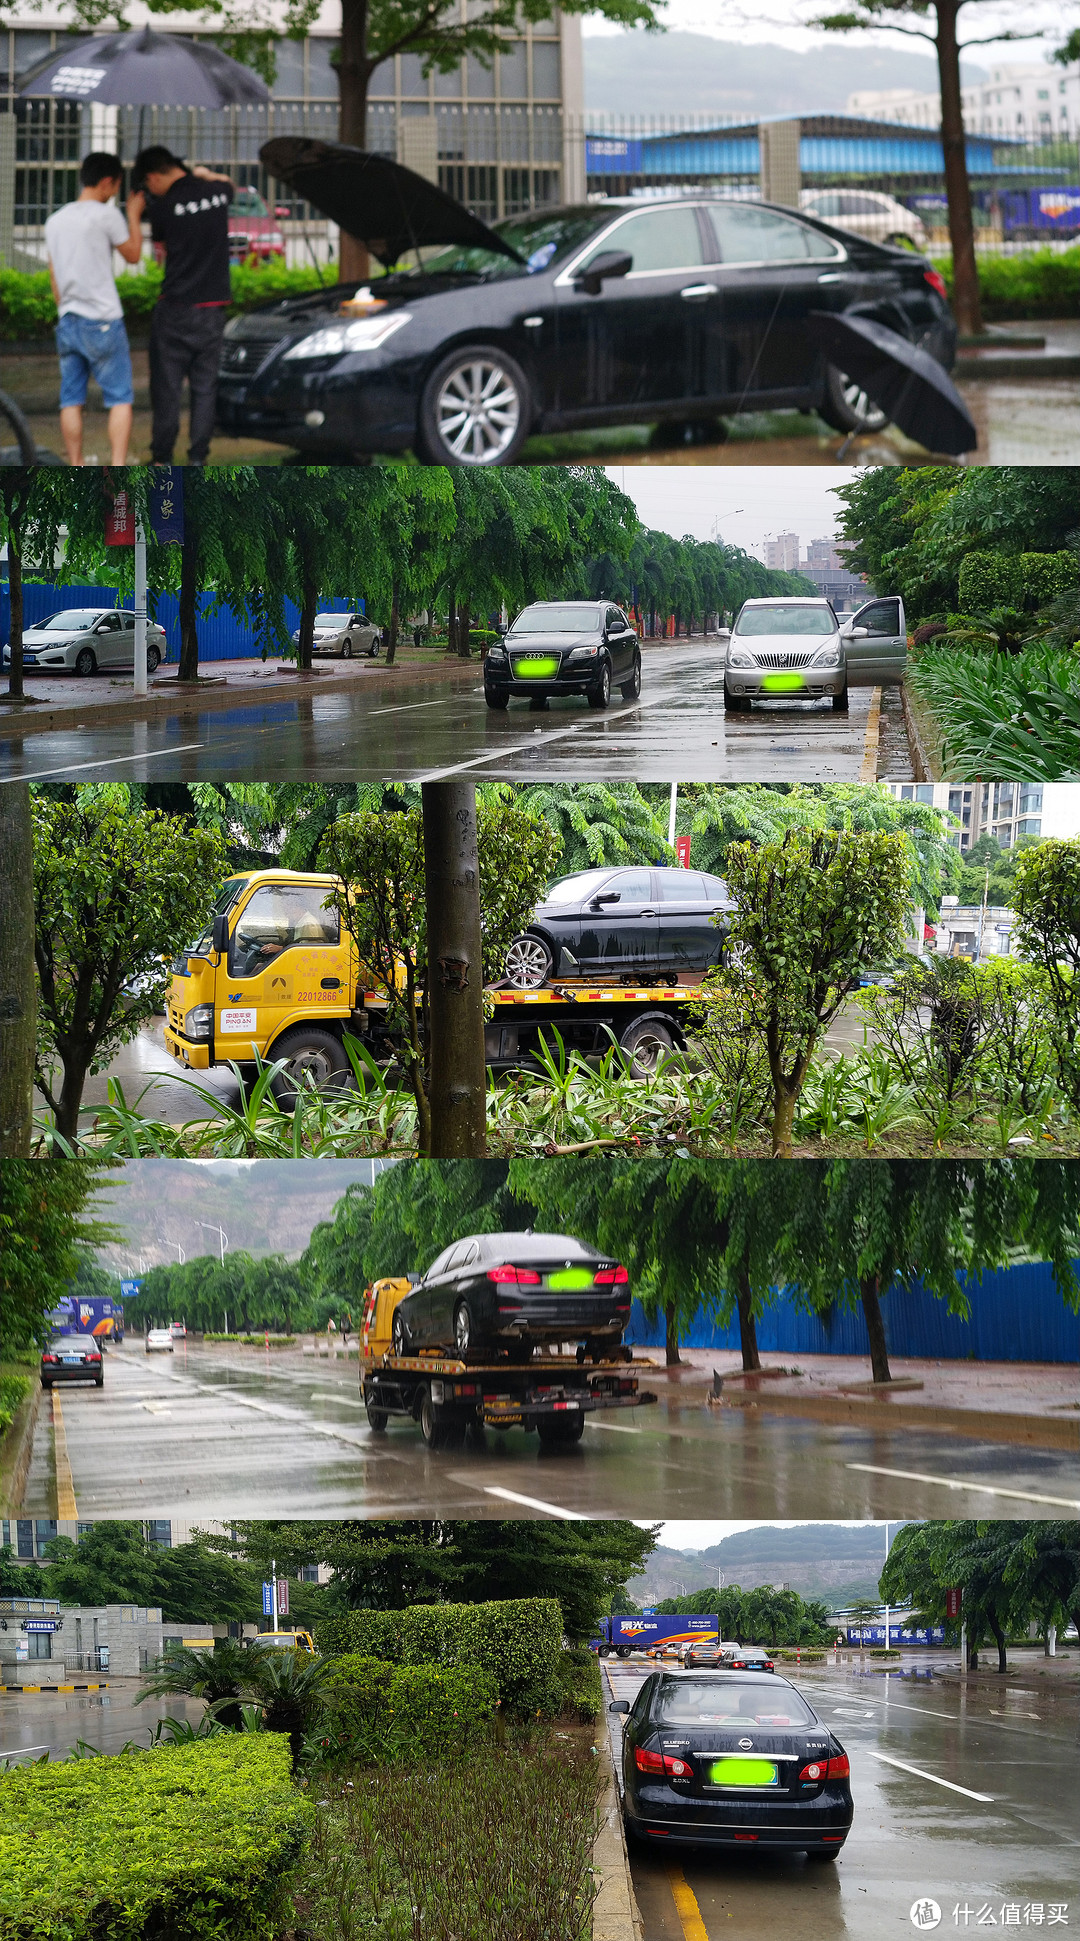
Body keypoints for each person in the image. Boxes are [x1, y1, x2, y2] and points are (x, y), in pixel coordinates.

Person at [132, 145, 235, 466]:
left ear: (152, 176)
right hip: (212, 311)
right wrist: (205, 173)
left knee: (167, 390)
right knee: (205, 389)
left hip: (175, 310)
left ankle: (162, 457)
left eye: (148, 186)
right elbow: (229, 185)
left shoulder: (163, 207)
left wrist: (133, 214)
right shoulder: (218, 193)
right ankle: (198, 458)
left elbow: (160, 239)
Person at [44, 152, 144, 465]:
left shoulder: (55, 220)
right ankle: (117, 467)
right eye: (115, 185)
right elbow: (133, 255)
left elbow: (54, 276)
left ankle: (75, 466)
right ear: (105, 182)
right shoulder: (106, 215)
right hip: (103, 321)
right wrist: (134, 215)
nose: (115, 191)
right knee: (120, 398)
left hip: (69, 320)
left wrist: (65, 311)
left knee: (71, 399)